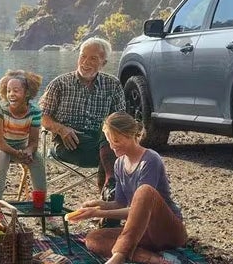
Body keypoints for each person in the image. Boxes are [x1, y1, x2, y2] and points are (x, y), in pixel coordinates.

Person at [68, 112, 187, 264]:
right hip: (142, 232)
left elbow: (138, 209)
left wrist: (97, 213)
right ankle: (154, 259)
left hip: (168, 231)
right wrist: (97, 205)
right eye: (109, 141)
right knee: (94, 238)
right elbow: (120, 203)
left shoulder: (150, 160)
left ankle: (118, 256)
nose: (112, 146)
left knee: (144, 191)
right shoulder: (119, 164)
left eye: (116, 140)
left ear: (131, 135)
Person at [40, 37, 126, 204]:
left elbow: (121, 119)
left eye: (93, 58)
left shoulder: (113, 84)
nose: (85, 62)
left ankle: (110, 187)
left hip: (103, 144)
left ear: (103, 63)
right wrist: (61, 129)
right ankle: (111, 187)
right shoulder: (59, 84)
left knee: (110, 129)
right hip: (70, 144)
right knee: (112, 150)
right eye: (83, 56)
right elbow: (42, 117)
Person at [0, 70, 46, 201]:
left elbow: (34, 142)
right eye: (8, 91)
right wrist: (17, 153)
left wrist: (28, 151)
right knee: (2, 156)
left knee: (37, 158)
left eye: (16, 90)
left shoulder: (35, 111)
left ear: (27, 93)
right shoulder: (0, 109)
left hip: (20, 146)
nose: (11, 94)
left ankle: (41, 202)